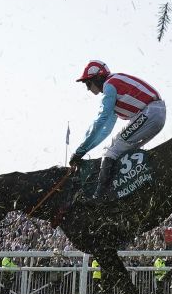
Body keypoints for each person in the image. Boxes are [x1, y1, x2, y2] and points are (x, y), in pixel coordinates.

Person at [69, 60, 166, 199]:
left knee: (111, 151)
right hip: (154, 113)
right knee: (116, 147)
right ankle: (131, 188)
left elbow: (101, 120)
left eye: (88, 83)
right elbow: (105, 130)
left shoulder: (109, 85)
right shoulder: (114, 86)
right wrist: (83, 151)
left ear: (97, 77)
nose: (88, 89)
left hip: (150, 112)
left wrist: (80, 151)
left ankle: (99, 196)